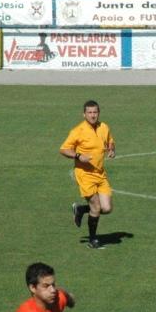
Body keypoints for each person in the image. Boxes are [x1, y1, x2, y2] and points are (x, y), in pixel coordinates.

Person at [59, 100, 115, 249]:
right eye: (89, 112)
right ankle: (93, 240)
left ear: (99, 113)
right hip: (85, 174)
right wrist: (78, 156)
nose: (92, 115)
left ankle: (81, 209)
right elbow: (64, 149)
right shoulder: (78, 131)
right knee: (96, 207)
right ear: (84, 114)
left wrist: (111, 150)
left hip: (100, 174)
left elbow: (110, 142)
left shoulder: (104, 127)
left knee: (107, 208)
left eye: (95, 112)